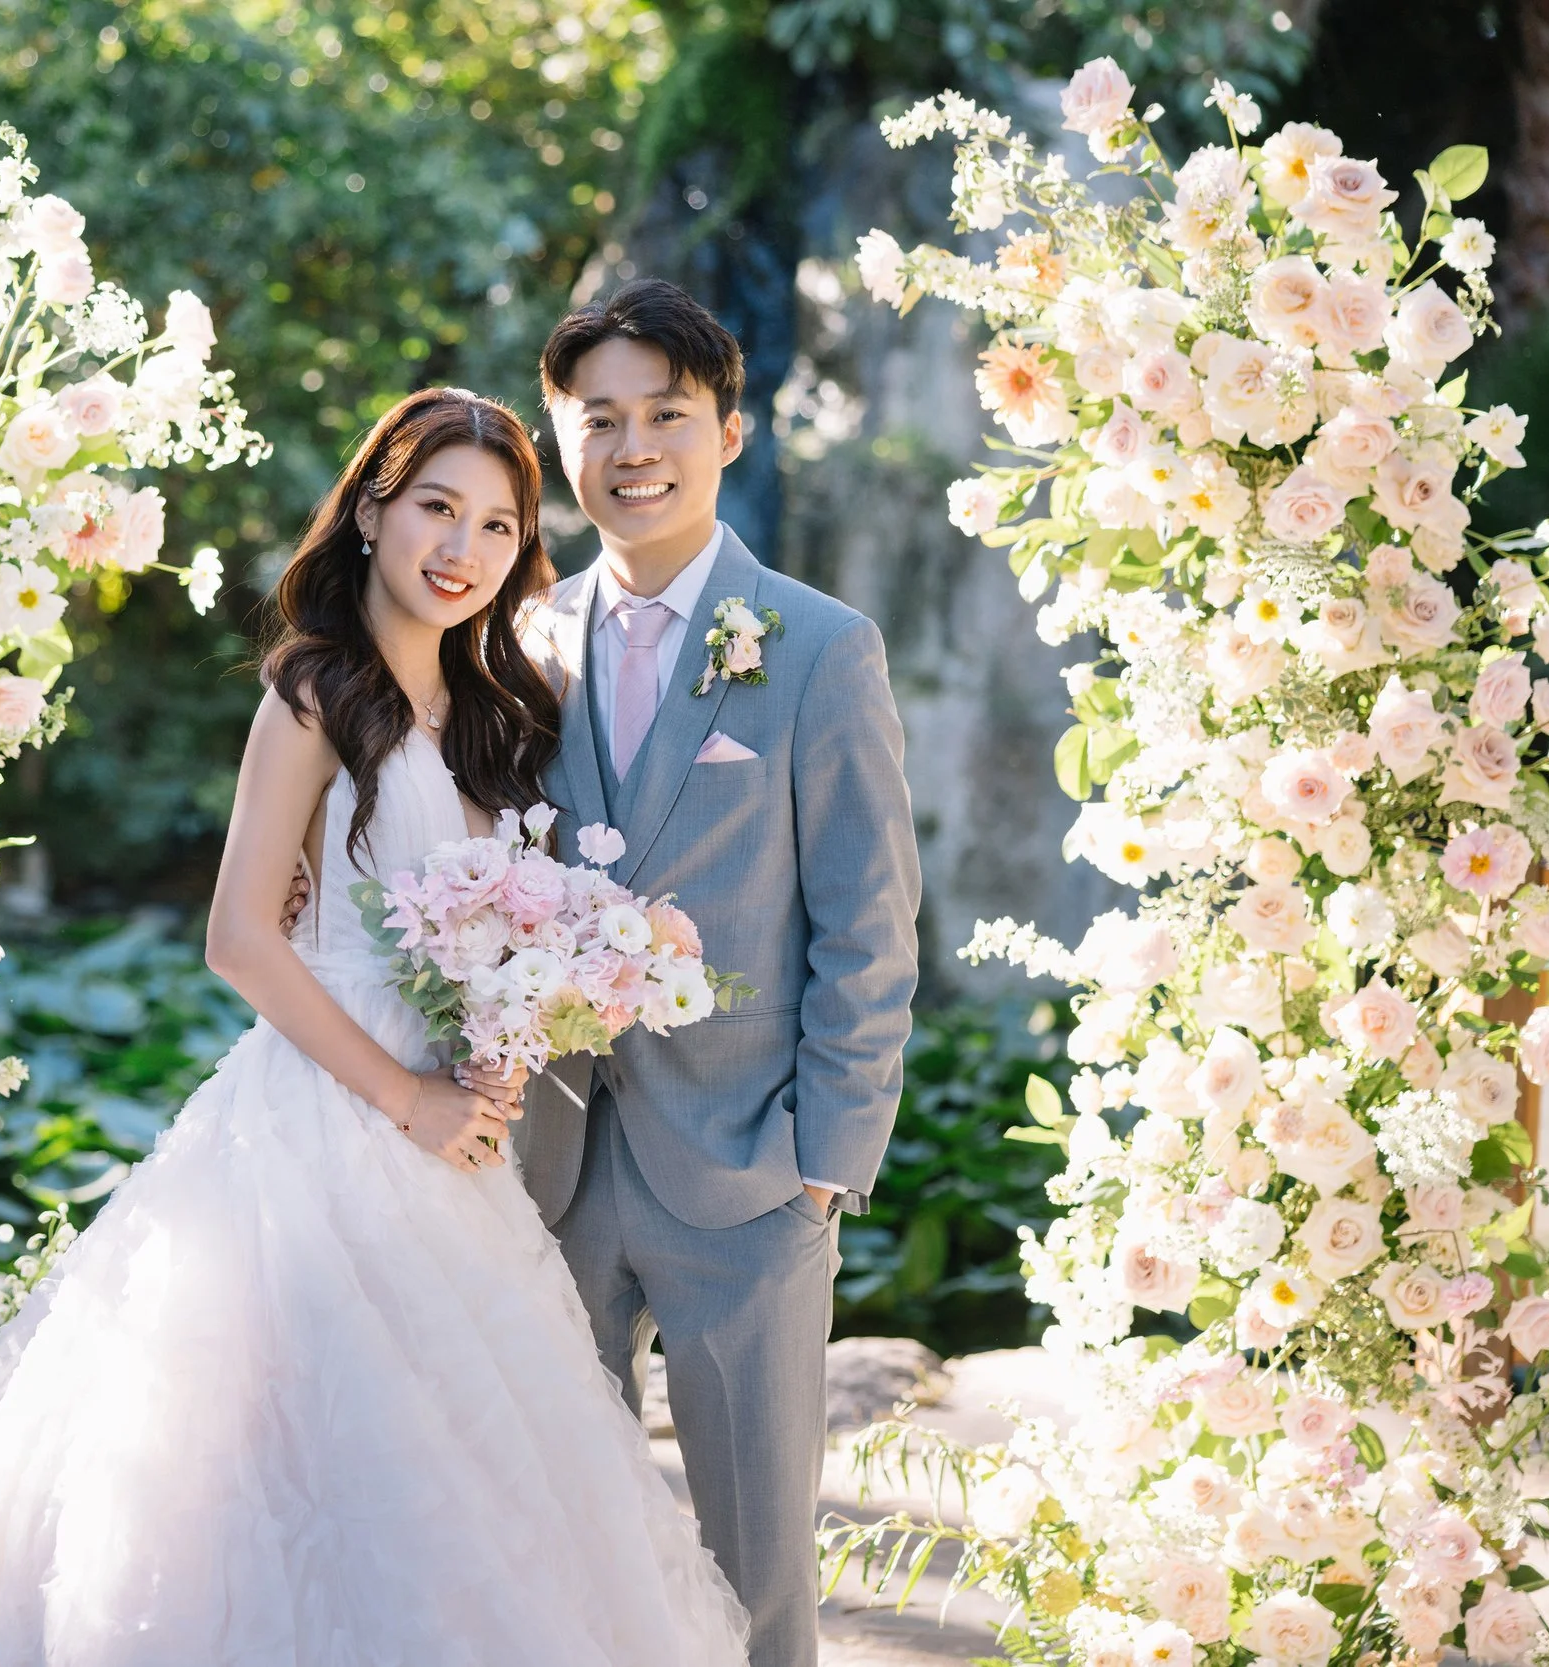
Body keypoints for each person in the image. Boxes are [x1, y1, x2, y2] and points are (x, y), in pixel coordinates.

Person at [0, 386, 751, 1666]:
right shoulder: (316, 697)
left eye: (497, 525)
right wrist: (408, 1094)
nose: (462, 548)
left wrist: (508, 1021)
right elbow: (240, 937)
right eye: (437, 505)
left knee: (455, 1472)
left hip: (453, 1145)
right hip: (333, 1116)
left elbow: (485, 921)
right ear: (373, 506)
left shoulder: (497, 712)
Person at [503, 278, 922, 1667]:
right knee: (564, 1534)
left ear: (728, 432)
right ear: (560, 441)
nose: (633, 447)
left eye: (666, 415)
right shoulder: (515, 643)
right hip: (549, 1161)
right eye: (597, 418)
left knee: (757, 1566)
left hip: (752, 1169)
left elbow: (868, 920)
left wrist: (827, 1153)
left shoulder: (816, 645)